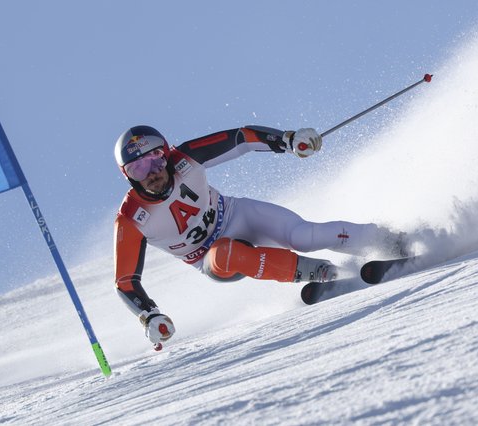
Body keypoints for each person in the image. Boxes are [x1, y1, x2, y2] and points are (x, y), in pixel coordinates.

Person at [113, 125, 407, 347]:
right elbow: (125, 281)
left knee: (304, 235)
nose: (151, 172)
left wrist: (287, 140)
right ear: (128, 176)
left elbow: (241, 138)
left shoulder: (185, 158)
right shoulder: (132, 218)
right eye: (138, 168)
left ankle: (391, 240)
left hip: (238, 216)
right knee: (227, 252)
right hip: (212, 258)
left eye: (155, 159)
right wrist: (149, 315)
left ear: (167, 153)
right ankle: (329, 274)